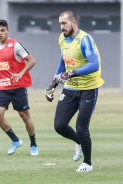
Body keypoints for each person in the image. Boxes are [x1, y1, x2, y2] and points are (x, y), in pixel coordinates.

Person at [45, 10, 104, 172]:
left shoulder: (85, 40)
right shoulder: (62, 39)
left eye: (64, 23)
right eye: (60, 24)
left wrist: (72, 73)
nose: (61, 27)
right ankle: (79, 142)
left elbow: (94, 64)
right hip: (70, 89)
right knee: (59, 125)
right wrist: (53, 83)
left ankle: (88, 163)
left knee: (81, 127)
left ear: (73, 22)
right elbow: (63, 61)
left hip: (88, 90)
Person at [0, 19, 38, 156]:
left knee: (24, 115)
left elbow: (32, 60)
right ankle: (15, 140)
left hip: (18, 87)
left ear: (7, 30)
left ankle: (33, 144)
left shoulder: (15, 45)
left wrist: (20, 74)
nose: (0, 33)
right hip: (2, 87)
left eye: (2, 30)